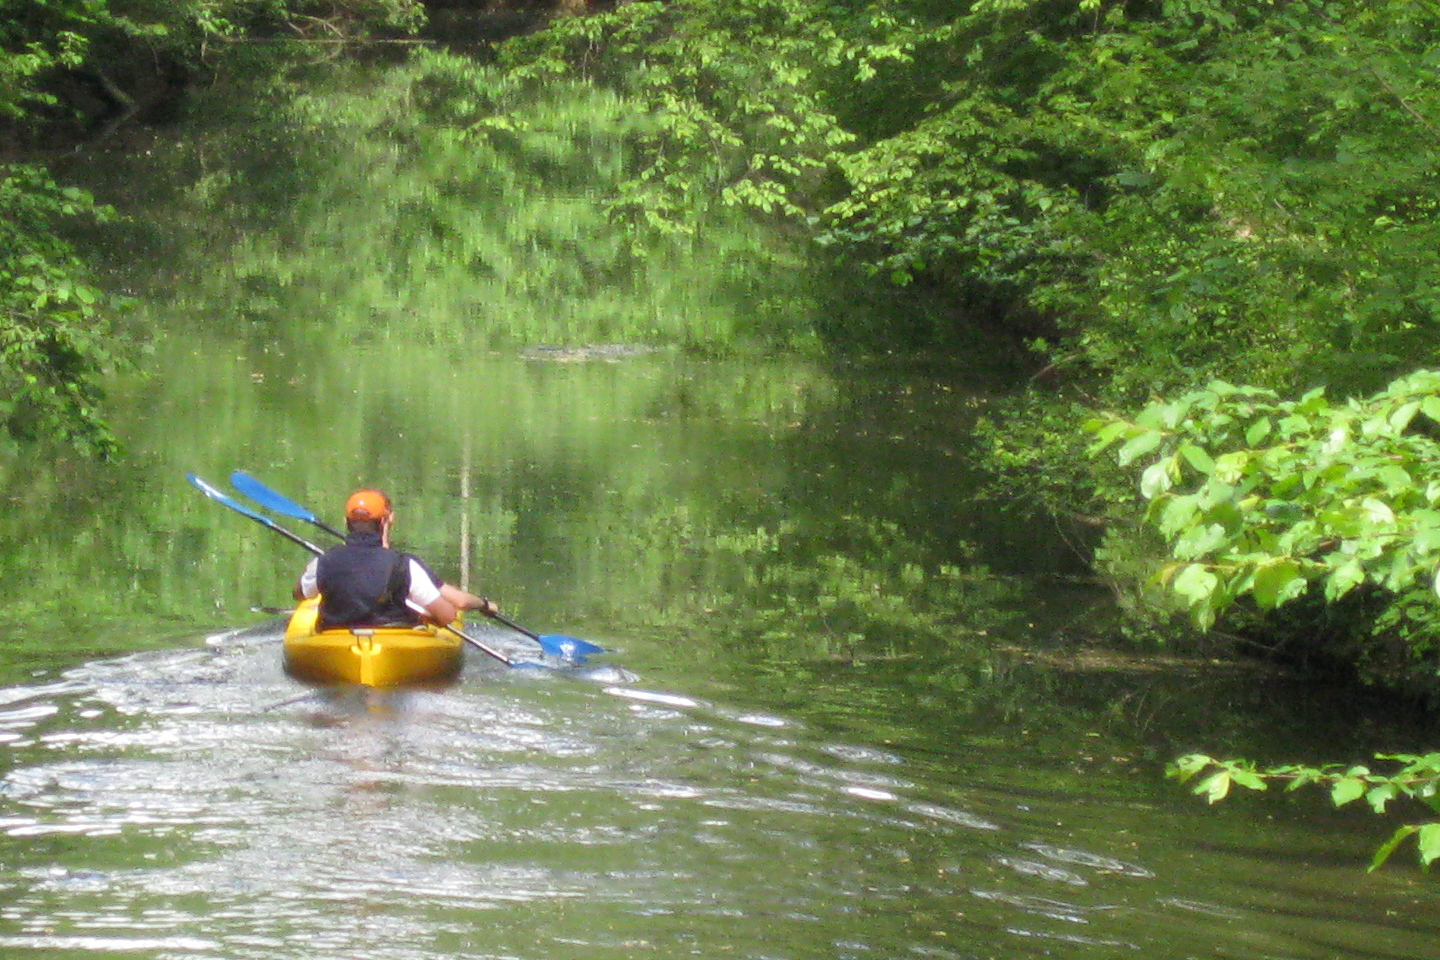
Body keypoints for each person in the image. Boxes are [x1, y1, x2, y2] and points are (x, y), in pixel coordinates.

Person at [294, 489, 498, 631]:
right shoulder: (404, 565)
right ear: (385, 521)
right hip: (392, 635)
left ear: (346, 522)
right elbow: (448, 616)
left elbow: (299, 593)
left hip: (336, 636)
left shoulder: (323, 561)